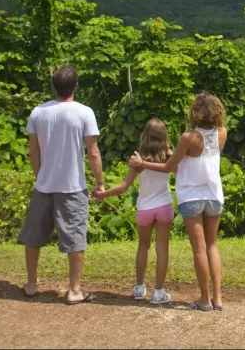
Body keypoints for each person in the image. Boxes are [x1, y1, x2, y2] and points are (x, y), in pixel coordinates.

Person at [129, 91, 226, 311]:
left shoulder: (188, 137)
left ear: (196, 111)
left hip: (192, 197)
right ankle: (218, 299)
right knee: (212, 247)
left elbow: (168, 167)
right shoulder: (222, 133)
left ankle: (204, 299)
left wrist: (142, 163)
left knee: (199, 250)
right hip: (214, 195)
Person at [20, 66, 104, 304]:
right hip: (73, 186)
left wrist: (40, 175)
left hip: (44, 185)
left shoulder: (38, 112)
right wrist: (99, 181)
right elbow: (93, 151)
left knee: (33, 236)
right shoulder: (84, 112)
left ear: (54, 86)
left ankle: (31, 283)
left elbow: (33, 152)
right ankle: (75, 289)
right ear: (76, 86)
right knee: (75, 237)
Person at [94, 118, 174, 304]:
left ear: (144, 136)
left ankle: (139, 288)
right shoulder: (169, 155)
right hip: (164, 206)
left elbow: (124, 187)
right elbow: (180, 173)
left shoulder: (137, 159)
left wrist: (103, 194)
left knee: (143, 246)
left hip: (144, 208)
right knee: (162, 249)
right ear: (165, 137)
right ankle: (158, 292)